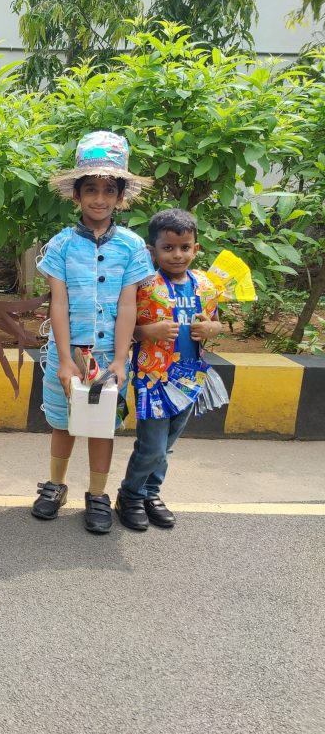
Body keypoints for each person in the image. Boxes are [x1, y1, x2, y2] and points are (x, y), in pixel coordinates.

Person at [31, 131, 155, 534]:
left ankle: (98, 494)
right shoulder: (61, 245)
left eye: (108, 190)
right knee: (63, 422)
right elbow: (59, 304)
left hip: (108, 357)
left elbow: (127, 305)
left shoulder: (132, 246)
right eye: (90, 190)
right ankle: (55, 485)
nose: (99, 199)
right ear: (76, 195)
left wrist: (119, 359)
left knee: (103, 426)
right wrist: (65, 360)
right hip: (67, 354)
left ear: (120, 196)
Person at [115, 208, 228, 530]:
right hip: (153, 378)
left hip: (191, 376)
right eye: (168, 247)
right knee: (152, 446)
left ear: (196, 248)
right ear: (152, 250)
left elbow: (216, 322)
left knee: (166, 446)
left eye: (185, 247)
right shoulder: (144, 286)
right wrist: (148, 331)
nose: (177, 255)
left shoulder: (205, 285)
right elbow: (125, 328)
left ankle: (151, 493)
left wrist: (212, 329)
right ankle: (130, 495)